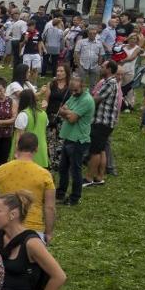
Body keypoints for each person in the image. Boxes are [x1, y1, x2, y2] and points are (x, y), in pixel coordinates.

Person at [0, 133, 56, 242]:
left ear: (17, 147)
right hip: (33, 230)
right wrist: (48, 232)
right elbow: (50, 207)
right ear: (36, 149)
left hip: (5, 228)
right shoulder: (44, 174)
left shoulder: (0, 170)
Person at [55, 74, 94, 206]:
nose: (73, 93)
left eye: (76, 90)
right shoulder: (74, 95)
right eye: (71, 90)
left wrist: (67, 112)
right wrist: (68, 112)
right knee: (63, 168)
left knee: (75, 171)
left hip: (78, 139)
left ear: (83, 86)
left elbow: (72, 119)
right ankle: (61, 192)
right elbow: (61, 110)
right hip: (68, 137)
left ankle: (74, 197)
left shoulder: (87, 100)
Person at [85, 61, 121, 188]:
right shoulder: (108, 82)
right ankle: (99, 177)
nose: (101, 68)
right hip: (105, 122)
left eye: (103, 67)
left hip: (102, 122)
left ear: (109, 69)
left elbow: (95, 100)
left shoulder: (110, 83)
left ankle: (89, 177)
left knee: (95, 151)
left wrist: (84, 99)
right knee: (101, 150)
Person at [12, 88, 49, 168]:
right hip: (40, 148)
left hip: (25, 152)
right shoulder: (43, 114)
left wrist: (16, 152)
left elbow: (19, 137)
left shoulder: (23, 114)